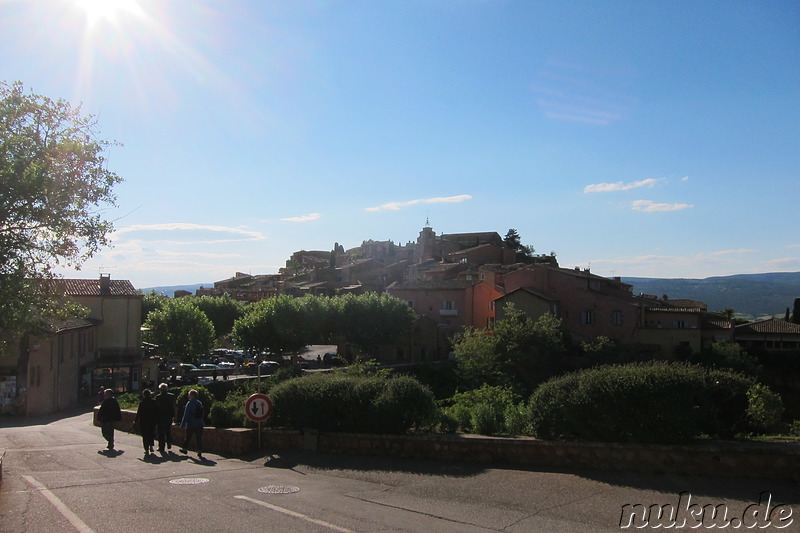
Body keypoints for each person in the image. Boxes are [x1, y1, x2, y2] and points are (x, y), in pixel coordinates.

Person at [179, 389, 204, 459]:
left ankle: (184, 449)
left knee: (188, 437)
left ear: (192, 396)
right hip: (199, 423)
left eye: (189, 395)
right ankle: (199, 450)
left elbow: (186, 415)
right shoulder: (199, 403)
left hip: (191, 423)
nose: (188, 396)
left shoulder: (189, 403)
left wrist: (183, 424)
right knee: (199, 438)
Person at [133, 389, 159, 456]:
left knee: (145, 436)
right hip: (152, 421)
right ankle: (151, 446)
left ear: (143, 395)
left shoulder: (142, 403)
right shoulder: (154, 402)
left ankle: (146, 449)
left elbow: (138, 413)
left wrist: (135, 421)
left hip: (144, 421)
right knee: (151, 433)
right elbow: (157, 411)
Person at [155, 383, 176, 452]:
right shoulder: (171, 396)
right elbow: (173, 407)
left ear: (160, 389)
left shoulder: (158, 397)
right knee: (168, 430)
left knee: (160, 432)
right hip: (168, 416)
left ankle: (161, 447)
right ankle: (169, 442)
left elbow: (156, 407)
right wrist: (174, 415)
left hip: (160, 417)